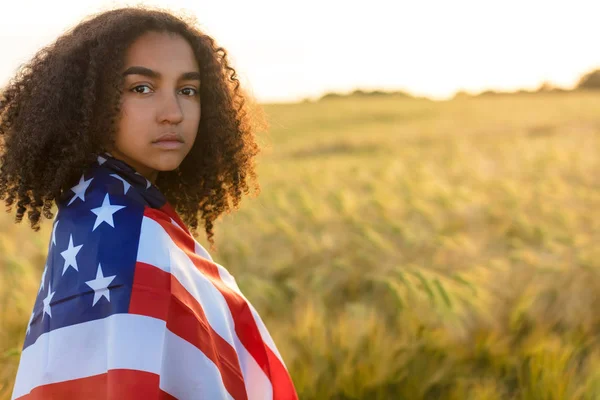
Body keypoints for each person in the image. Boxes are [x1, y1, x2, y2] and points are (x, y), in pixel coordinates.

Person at [0, 6, 298, 400]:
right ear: (86, 104)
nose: (173, 113)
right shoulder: (129, 232)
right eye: (141, 88)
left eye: (188, 90)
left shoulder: (94, 211)